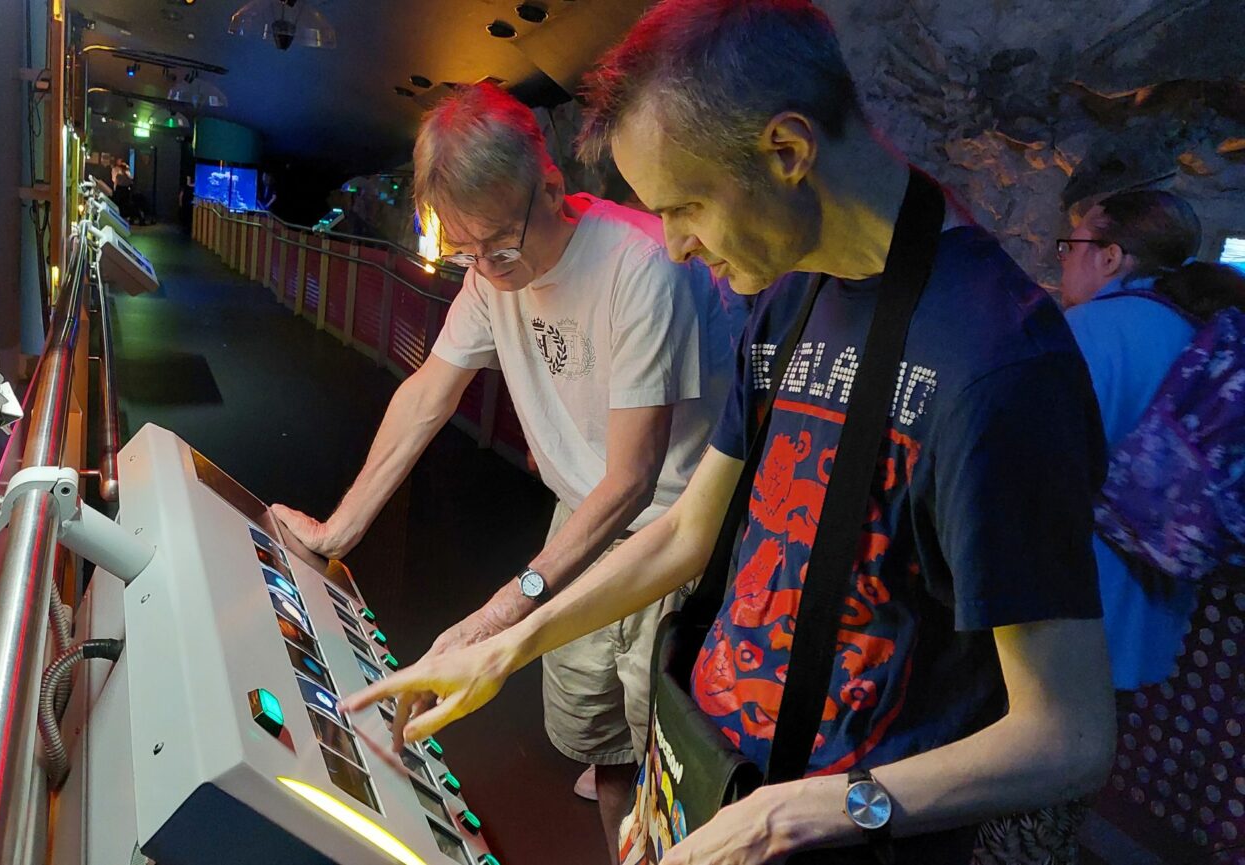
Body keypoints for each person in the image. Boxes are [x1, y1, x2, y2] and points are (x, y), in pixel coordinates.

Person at [346, 2, 1115, 863]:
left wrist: (792, 816)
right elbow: (688, 531)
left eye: (687, 206)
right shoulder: (789, 296)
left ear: (787, 151)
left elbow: (1068, 734)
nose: (675, 246)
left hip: (828, 827)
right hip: (716, 767)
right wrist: (507, 646)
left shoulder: (1000, 364)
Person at [271, 82, 740, 857]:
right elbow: (428, 393)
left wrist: (502, 612)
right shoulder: (490, 274)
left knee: (672, 769)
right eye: (467, 252)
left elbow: (632, 477)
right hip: (579, 516)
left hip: (672, 534)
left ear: (551, 188)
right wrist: (339, 528)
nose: (485, 269)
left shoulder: (640, 265)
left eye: (498, 246)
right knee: (599, 741)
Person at [1059, 189, 1244, 689]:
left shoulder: (1082, 332)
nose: (1064, 260)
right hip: (1153, 634)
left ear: (1110, 257)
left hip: (1069, 625)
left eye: (1071, 246)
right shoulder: (1207, 337)